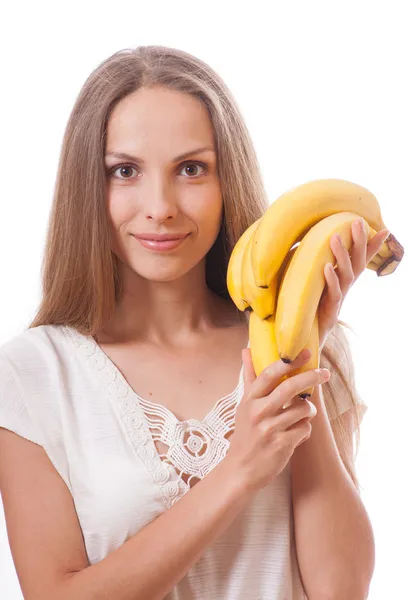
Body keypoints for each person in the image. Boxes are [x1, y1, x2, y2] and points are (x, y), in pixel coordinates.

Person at [0, 45, 377, 600]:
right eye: (124, 171)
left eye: (192, 169)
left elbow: (339, 589)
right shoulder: (33, 375)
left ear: (229, 183)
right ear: (88, 187)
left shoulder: (311, 354)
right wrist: (239, 471)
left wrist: (299, 357)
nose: (160, 206)